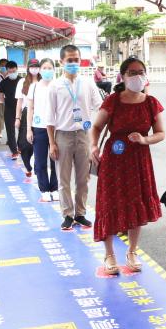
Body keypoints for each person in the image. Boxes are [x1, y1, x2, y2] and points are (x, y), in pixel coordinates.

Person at [90, 58, 165, 274]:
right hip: (114, 160)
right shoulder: (113, 100)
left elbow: (160, 133)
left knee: (135, 203)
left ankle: (132, 251)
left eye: (141, 72)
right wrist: (93, 146)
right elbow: (96, 127)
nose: (137, 76)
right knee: (109, 203)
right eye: (132, 72)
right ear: (122, 76)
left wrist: (144, 139)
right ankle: (109, 254)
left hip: (139, 160)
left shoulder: (151, 103)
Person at [47, 44, 103, 231]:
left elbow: (100, 107)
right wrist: (52, 143)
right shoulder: (55, 86)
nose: (73, 63)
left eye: (76, 60)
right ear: (61, 62)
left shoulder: (88, 83)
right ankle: (67, 214)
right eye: (69, 60)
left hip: (84, 135)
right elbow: (50, 117)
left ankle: (80, 213)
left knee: (83, 179)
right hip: (62, 136)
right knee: (63, 179)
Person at [26, 59, 58, 201]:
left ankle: (55, 188)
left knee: (56, 160)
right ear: (40, 70)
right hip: (39, 127)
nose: (47, 70)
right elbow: (30, 109)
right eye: (44, 68)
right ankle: (44, 189)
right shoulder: (34, 87)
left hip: (57, 128)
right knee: (40, 161)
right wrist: (29, 129)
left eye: (50, 68)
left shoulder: (58, 86)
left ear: (54, 70)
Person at [15, 62, 38, 181]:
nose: (34, 69)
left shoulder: (43, 81)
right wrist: (17, 118)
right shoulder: (22, 82)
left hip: (40, 113)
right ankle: (27, 165)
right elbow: (19, 102)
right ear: (28, 68)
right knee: (25, 144)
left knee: (39, 142)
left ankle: (38, 167)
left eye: (37, 66)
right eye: (32, 67)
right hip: (26, 113)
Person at [0, 61, 22, 160]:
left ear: (17, 69)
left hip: (21, 109)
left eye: (14, 70)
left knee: (23, 129)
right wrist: (5, 103)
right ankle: (14, 151)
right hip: (9, 109)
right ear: (7, 71)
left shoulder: (22, 81)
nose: (12, 72)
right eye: (10, 71)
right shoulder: (3, 82)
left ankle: (20, 147)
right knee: (10, 131)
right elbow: (0, 95)